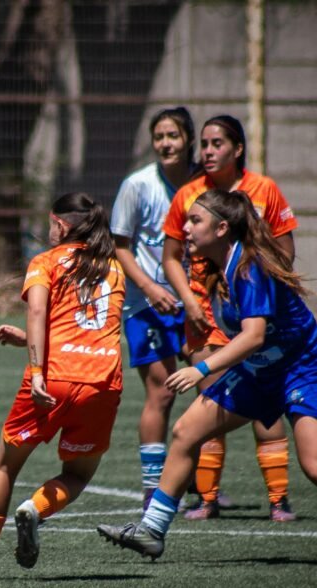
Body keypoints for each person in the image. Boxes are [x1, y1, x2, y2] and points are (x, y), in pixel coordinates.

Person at [96, 189, 317, 567]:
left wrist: (200, 369)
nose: (184, 228)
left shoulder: (249, 268)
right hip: (261, 371)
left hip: (304, 368)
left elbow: (254, 335)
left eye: (194, 221)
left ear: (221, 228)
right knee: (186, 431)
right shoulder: (223, 267)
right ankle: (152, 531)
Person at [0, 192, 125, 581]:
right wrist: (29, 339)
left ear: (61, 224)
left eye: (51, 223)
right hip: (103, 381)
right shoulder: (113, 266)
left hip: (53, 378)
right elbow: (84, 325)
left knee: (5, 466)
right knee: (78, 474)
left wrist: (36, 370)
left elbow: (38, 310)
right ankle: (35, 509)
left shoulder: (46, 261)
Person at [160, 114, 297, 522]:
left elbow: (285, 252)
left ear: (238, 149)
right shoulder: (188, 194)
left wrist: (258, 289)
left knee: (264, 406)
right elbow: (169, 257)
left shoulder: (264, 190)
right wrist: (188, 299)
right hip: (204, 318)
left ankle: (278, 499)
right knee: (212, 404)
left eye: (217, 143)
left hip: (253, 318)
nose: (207, 151)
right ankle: (208, 498)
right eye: (203, 143)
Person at [109, 106, 197, 509]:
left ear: (188, 140)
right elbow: (120, 245)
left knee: (211, 390)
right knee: (160, 394)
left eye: (173, 136)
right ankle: (151, 488)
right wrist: (148, 287)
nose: (165, 144)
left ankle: (203, 488)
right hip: (148, 304)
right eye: (159, 136)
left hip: (199, 301)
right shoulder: (137, 185)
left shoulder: (204, 184)